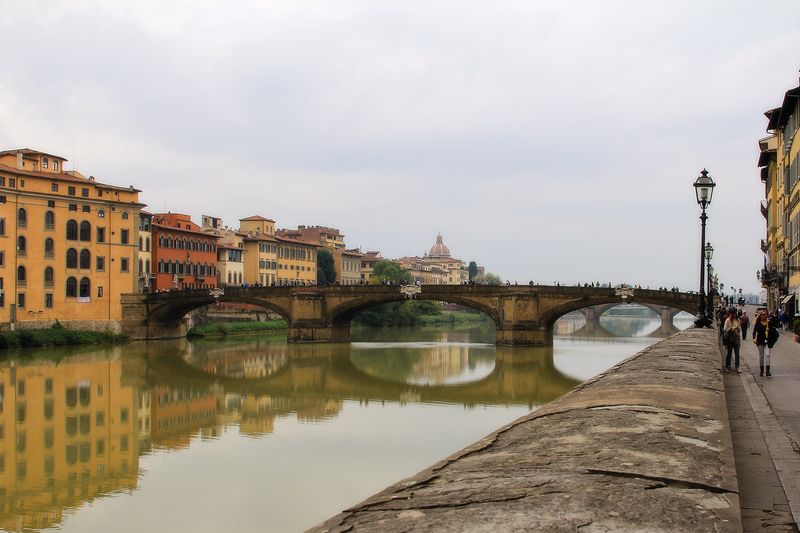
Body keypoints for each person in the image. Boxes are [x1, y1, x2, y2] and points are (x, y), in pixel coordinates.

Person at [752, 311, 779, 377]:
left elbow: (773, 330)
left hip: (768, 341)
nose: (764, 316)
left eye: (765, 314)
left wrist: (769, 329)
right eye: (763, 314)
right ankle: (761, 371)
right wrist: (754, 338)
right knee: (761, 355)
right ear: (760, 316)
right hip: (760, 341)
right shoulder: (758, 323)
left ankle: (767, 371)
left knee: (767, 355)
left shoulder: (768, 322)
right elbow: (754, 332)